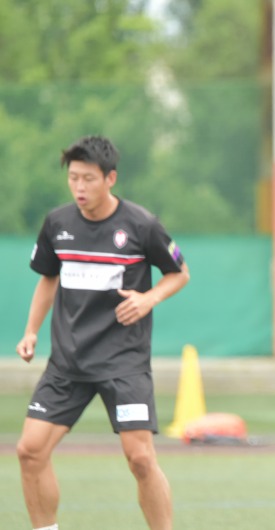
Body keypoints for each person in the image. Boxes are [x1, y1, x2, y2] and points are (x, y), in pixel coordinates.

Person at [15, 136, 190, 530]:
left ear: (110, 178)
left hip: (123, 362)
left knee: (140, 459)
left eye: (88, 179)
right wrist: (31, 332)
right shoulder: (57, 224)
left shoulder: (141, 225)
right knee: (30, 450)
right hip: (68, 362)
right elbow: (48, 279)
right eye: (73, 178)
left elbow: (180, 273)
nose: (79, 187)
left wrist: (148, 299)